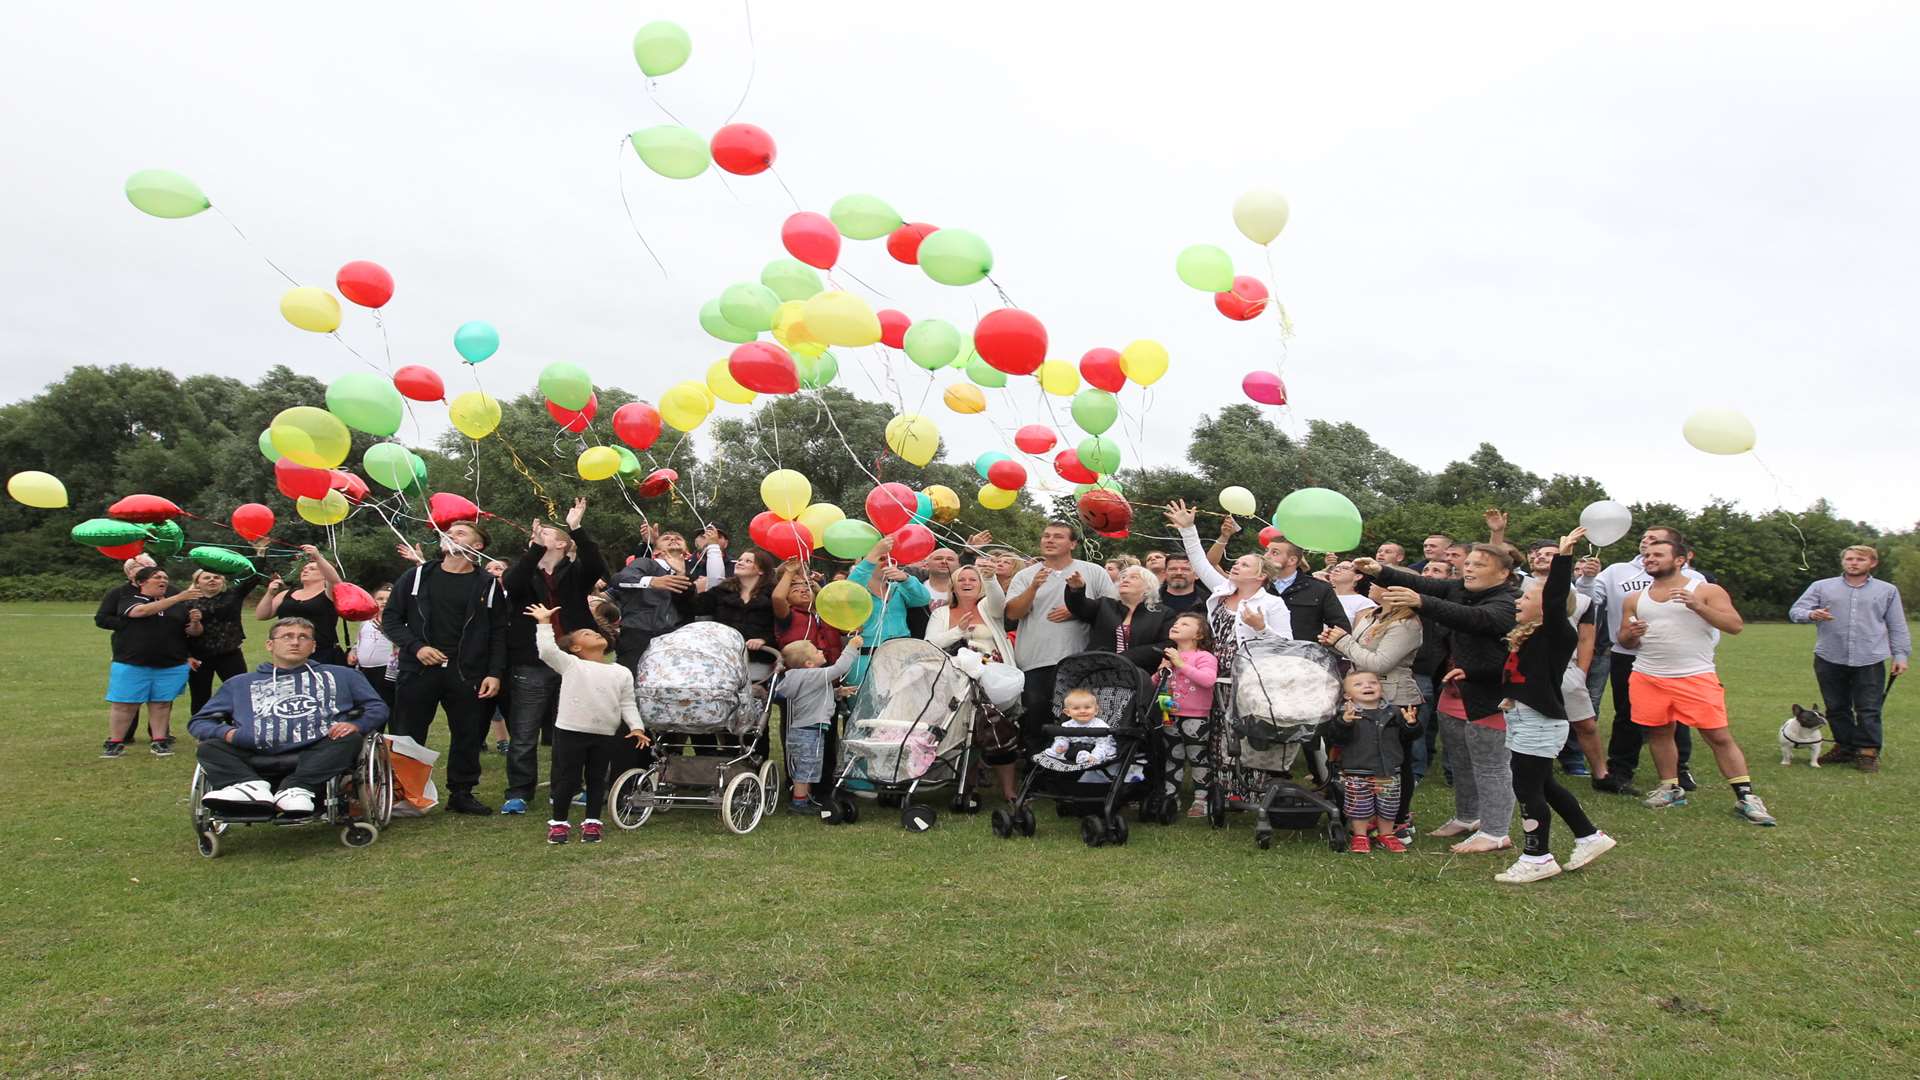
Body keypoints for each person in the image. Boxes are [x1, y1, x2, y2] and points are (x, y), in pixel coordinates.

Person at [1353, 542, 1522, 855]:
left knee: (1491, 765)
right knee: (1460, 759)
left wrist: (1421, 602)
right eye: (1467, 563)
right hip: (1458, 687)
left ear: (1504, 573)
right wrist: (1381, 571)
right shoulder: (1459, 587)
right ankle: (1468, 816)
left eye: (1479, 565)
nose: (1468, 568)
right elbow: (1423, 583)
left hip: (1492, 694)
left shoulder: (1507, 600)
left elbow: (1474, 619)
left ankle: (1496, 831)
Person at [1489, 529, 1617, 883]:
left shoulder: (1556, 632)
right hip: (1524, 717)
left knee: (1527, 789)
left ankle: (1537, 856)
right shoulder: (1527, 636)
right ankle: (1589, 836)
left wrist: (1563, 557)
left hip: (1540, 723)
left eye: (1527, 596)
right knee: (1543, 783)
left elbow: (1557, 595)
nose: (1518, 599)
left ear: (1546, 606)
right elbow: (1524, 677)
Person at [1618, 538, 1776, 825]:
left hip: (1695, 675)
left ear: (1680, 560)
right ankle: (1670, 788)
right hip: (1647, 675)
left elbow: (1735, 626)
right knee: (1659, 732)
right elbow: (1624, 641)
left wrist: (1698, 607)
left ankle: (1746, 797)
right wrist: (1633, 633)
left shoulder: (1705, 591)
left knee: (1718, 736)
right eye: (1647, 555)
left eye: (1658, 554)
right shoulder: (1634, 599)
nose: (1649, 559)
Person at [188, 617, 389, 816]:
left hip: (318, 750)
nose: (295, 642)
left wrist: (357, 725)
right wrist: (228, 733)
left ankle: (297, 787)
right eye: (287, 636)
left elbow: (376, 707)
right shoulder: (239, 684)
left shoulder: (344, 676)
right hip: (254, 750)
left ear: (313, 646)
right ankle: (248, 785)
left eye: (303, 637)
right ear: (270, 645)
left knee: (349, 739)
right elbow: (199, 721)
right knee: (208, 747)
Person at [381, 521, 509, 816]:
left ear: (477, 547)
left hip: (467, 671)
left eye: (460, 533)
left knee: (468, 733)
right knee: (407, 733)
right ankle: (404, 794)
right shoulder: (416, 577)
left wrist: (494, 672)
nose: (451, 535)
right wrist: (417, 648)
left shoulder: (486, 584)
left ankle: (461, 793)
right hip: (419, 669)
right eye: (448, 533)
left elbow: (498, 631)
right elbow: (391, 620)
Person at [1579, 527, 1707, 794]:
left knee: (1678, 716)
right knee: (1627, 715)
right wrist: (1588, 579)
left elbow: (1707, 619)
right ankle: (1622, 769)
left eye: (1655, 540)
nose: (1646, 542)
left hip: (1677, 658)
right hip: (1628, 654)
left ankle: (1679, 770)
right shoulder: (1617, 571)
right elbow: (1590, 600)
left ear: (1676, 549)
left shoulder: (1694, 578)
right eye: (1644, 539)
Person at [499, 499, 606, 816]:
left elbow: (596, 565)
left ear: (562, 543)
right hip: (532, 661)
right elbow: (512, 583)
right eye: (537, 533)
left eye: (546, 532)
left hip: (574, 662)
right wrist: (533, 548)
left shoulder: (575, 573)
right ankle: (519, 791)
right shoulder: (524, 573)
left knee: (572, 729)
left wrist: (576, 527)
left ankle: (570, 787)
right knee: (524, 732)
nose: (539, 534)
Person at [524, 604, 646, 844]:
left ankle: (592, 822)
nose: (595, 633)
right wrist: (544, 623)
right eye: (587, 634)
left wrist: (636, 727)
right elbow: (547, 651)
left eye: (596, 632)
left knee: (596, 778)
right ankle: (559, 823)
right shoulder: (571, 664)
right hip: (571, 731)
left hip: (604, 733)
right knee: (568, 778)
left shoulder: (621, 672)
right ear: (576, 648)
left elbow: (627, 703)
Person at [1789, 545, 1909, 771]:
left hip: (1870, 657)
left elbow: (1897, 625)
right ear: (1843, 562)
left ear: (1872, 563)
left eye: (1860, 560)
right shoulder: (1822, 586)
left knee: (1869, 708)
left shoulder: (1887, 590)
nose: (1853, 563)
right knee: (1836, 707)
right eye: (1849, 559)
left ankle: (1867, 752)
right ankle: (1845, 747)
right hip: (1830, 656)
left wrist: (1900, 655)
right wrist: (1811, 614)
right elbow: (1796, 611)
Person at [1321, 585, 1423, 840]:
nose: (1371, 585)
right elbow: (1359, 652)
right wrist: (1334, 644)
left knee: (1395, 761)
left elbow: (1380, 662)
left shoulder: (1406, 624)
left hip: (1394, 697)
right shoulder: (1371, 615)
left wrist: (1342, 641)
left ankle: (1397, 819)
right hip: (1362, 692)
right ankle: (1366, 815)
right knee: (1361, 755)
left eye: (1379, 582)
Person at [1004, 521, 1115, 749]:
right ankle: (1036, 771)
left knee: (1077, 719)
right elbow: (1014, 613)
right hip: (1035, 660)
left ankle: (1074, 770)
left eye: (1058, 536)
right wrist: (1033, 587)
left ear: (1073, 543)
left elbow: (1112, 610)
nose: (1049, 540)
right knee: (1036, 718)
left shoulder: (1093, 571)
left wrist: (1078, 608)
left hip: (1078, 660)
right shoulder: (1026, 576)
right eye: (1046, 536)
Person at [1519, 539, 1606, 781]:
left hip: (1567, 669)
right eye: (1539, 553)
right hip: (1527, 666)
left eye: (1551, 554)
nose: (1542, 557)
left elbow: (1587, 638)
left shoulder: (1580, 598)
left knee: (1585, 725)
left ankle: (1601, 773)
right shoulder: (1520, 587)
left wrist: (1581, 672)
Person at [100, 566, 206, 758]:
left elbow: (192, 633)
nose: (163, 580)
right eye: (157, 577)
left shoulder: (178, 605)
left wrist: (196, 622)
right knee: (125, 704)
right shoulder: (132, 599)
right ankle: (115, 742)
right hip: (132, 662)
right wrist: (177, 598)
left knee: (162, 703)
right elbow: (139, 612)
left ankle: (159, 741)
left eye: (165, 577)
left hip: (171, 663)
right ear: (141, 582)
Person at [1326, 671, 1419, 853]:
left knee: (1389, 805)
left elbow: (1408, 738)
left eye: (1372, 683)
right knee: (1359, 806)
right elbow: (1336, 739)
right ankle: (1359, 835)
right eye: (1359, 684)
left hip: (1387, 770)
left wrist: (1411, 725)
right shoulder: (1345, 714)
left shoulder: (1394, 712)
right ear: (1347, 695)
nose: (1367, 686)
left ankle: (1386, 834)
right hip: (1357, 770)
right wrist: (1344, 724)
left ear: (1381, 688)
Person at [777, 633, 861, 813]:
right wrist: (852, 647)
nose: (821, 650)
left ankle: (805, 798)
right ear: (809, 664)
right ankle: (799, 803)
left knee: (808, 765)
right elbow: (840, 668)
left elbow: (816, 695)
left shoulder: (804, 677)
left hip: (805, 730)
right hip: (808, 731)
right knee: (806, 768)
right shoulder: (811, 675)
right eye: (816, 651)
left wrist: (838, 693)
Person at [846, 535, 933, 685]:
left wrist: (906, 578)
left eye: (890, 559)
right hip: (866, 659)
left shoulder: (898, 588)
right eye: (880, 558)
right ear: (864, 563)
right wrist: (874, 553)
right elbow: (849, 589)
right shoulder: (857, 589)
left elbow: (923, 598)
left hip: (902, 658)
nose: (886, 562)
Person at [1156, 612, 1220, 813]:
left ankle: (1201, 799)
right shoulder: (1169, 657)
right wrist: (1160, 672)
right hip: (1168, 712)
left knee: (1197, 756)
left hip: (1195, 715)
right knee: (1172, 756)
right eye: (1175, 622)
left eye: (1184, 624)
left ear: (1198, 635)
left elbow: (1208, 680)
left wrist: (1181, 664)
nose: (1176, 625)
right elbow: (1155, 686)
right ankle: (1170, 798)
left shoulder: (1203, 656)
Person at [608, 526, 695, 673]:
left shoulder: (690, 574)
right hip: (637, 635)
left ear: (686, 552)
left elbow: (689, 608)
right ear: (656, 552)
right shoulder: (645, 564)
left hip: (675, 640)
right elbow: (619, 579)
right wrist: (651, 581)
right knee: (631, 682)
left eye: (678, 538)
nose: (673, 539)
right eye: (666, 538)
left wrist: (680, 574)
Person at [1064, 565, 1175, 670]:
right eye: (1123, 577)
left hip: (1141, 675)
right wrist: (1076, 590)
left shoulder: (1163, 613)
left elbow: (1166, 645)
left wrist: (1125, 657)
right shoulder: (1104, 605)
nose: (1125, 580)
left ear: (1148, 587)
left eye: (1134, 577)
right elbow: (1080, 607)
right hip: (1099, 672)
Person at [253, 544, 348, 665]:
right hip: (289, 651)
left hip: (322, 653)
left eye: (312, 569)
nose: (306, 570)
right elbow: (261, 615)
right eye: (304, 569)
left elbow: (335, 581)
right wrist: (270, 593)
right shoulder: (286, 594)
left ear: (324, 575)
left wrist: (318, 557)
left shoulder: (329, 594)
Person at [182, 568, 258, 717]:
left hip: (229, 653)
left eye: (216, 577)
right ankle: (202, 731)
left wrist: (260, 553)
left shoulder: (232, 595)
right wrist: (186, 655)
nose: (212, 580)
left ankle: (239, 726)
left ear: (223, 581)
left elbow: (253, 578)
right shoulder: (187, 602)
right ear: (197, 582)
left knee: (239, 690)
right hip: (199, 656)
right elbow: (178, 632)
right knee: (200, 695)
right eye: (206, 578)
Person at [683, 547, 780, 653]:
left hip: (759, 655)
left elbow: (782, 626)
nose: (740, 563)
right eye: (739, 560)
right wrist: (682, 574)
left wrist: (764, 640)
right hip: (723, 653)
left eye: (748, 561)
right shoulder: (723, 590)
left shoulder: (774, 594)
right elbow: (695, 607)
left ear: (761, 570)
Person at [772, 560, 846, 663]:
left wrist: (820, 591)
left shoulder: (826, 614)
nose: (803, 591)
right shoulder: (787, 614)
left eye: (807, 588)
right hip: (802, 673)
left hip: (832, 671)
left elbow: (848, 629)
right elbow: (778, 598)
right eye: (795, 590)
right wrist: (789, 572)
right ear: (787, 599)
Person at [345, 584, 397, 709]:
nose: (384, 602)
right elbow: (359, 641)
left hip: (387, 671)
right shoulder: (366, 621)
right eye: (380, 599)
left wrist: (386, 631)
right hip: (365, 670)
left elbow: (402, 643)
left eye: (388, 599)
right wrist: (353, 652)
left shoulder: (399, 621)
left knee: (390, 704)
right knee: (370, 704)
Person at [1041, 688, 1116, 768]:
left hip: (1095, 749)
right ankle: (1057, 752)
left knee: (1105, 743)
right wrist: (1061, 746)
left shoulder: (1100, 725)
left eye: (1087, 707)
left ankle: (1091, 758)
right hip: (1074, 750)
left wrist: (1095, 755)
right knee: (1061, 740)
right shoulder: (1067, 725)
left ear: (1096, 710)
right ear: (1068, 712)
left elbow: (1104, 743)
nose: (1082, 711)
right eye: (1076, 708)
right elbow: (1063, 738)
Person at [1327, 560, 1377, 624]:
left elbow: (1359, 632)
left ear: (1358, 576)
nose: (1337, 570)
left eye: (1345, 568)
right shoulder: (1322, 595)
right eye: (1336, 567)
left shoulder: (1364, 603)